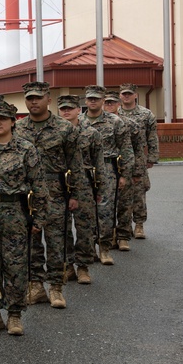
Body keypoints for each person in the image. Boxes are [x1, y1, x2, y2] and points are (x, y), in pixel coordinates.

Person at [14, 81, 87, 309]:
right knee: (31, 242)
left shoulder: (65, 129)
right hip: (26, 195)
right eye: (29, 98)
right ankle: (35, 286)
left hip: (56, 192)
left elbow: (76, 164)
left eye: (38, 97)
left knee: (57, 242)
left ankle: (56, 287)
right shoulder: (17, 128)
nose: (33, 101)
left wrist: (75, 194)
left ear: (49, 100)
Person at [0, 100, 46, 336]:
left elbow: (39, 186)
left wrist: (38, 219)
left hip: (15, 214)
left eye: (2, 119)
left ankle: (15, 314)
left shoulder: (26, 149)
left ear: (12, 122)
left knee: (16, 265)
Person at [57, 95, 106, 285]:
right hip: (60, 183)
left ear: (79, 110)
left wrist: (99, 187)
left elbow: (98, 163)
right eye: (63, 108)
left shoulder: (91, 133)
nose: (66, 111)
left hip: (84, 182)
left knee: (85, 227)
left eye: (70, 108)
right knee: (62, 228)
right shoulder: (54, 132)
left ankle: (83, 266)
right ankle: (67, 265)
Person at [82, 85, 133, 266]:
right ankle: (89, 250)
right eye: (90, 98)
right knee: (87, 213)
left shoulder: (115, 122)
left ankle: (104, 248)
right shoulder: (78, 122)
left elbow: (126, 150)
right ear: (86, 100)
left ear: (104, 101)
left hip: (107, 169)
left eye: (97, 98)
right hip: (85, 170)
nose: (93, 101)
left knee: (105, 211)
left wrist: (124, 175)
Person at [117, 83, 159, 239]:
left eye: (129, 93)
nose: (126, 96)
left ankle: (139, 224)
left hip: (138, 158)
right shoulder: (115, 112)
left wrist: (152, 157)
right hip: (119, 159)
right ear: (120, 95)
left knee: (138, 192)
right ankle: (124, 226)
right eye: (123, 93)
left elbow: (152, 138)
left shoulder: (146, 114)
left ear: (135, 95)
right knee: (121, 193)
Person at [105, 91, 144, 251]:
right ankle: (110, 235)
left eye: (112, 103)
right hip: (106, 170)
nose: (109, 106)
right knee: (106, 206)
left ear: (118, 105)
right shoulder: (97, 124)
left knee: (124, 204)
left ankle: (123, 236)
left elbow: (138, 150)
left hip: (125, 168)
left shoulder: (130, 124)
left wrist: (136, 173)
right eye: (107, 102)